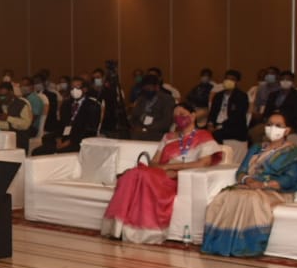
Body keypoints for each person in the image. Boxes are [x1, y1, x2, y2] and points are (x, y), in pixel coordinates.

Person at [102, 103, 219, 244]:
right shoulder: (168, 137)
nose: (178, 118)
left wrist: (174, 169)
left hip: (179, 178)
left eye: (182, 114)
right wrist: (163, 169)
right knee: (132, 174)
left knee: (139, 175)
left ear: (193, 116)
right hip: (161, 174)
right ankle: (118, 228)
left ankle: (142, 232)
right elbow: (154, 162)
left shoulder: (204, 136)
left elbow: (203, 163)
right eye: (176, 115)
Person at [200, 113, 297, 257]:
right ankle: (217, 244)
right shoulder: (256, 148)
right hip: (250, 186)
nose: (273, 128)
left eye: (278, 125)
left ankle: (245, 247)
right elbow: (241, 171)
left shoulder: (294, 152)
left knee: (251, 199)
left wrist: (263, 184)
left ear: (287, 130)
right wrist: (248, 180)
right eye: (270, 124)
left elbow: (289, 180)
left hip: (276, 191)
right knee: (226, 195)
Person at [32, 76, 100, 155]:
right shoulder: (66, 104)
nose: (74, 90)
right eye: (72, 88)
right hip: (64, 136)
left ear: (85, 89)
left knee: (61, 151)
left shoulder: (92, 106)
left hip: (80, 138)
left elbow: (90, 130)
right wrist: (59, 138)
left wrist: (70, 141)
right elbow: (61, 124)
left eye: (77, 87)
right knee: (38, 150)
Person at [129, 74, 175, 141]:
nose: (147, 90)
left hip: (157, 134)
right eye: (145, 88)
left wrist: (147, 128)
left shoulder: (167, 100)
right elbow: (134, 117)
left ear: (157, 87)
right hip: (139, 133)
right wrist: (137, 127)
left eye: (149, 88)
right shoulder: (141, 99)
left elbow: (166, 122)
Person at [209, 70, 249, 144]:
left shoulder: (242, 96)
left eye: (232, 79)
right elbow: (212, 112)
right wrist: (210, 124)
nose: (228, 81)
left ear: (237, 82)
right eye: (227, 78)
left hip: (233, 127)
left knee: (216, 134)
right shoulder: (218, 96)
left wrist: (220, 126)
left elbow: (238, 116)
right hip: (216, 124)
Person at [263, 69, 297, 136]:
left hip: (289, 125)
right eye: (283, 79)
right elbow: (266, 111)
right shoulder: (273, 95)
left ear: (292, 81)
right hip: (271, 123)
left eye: (288, 80)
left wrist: (279, 118)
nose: (285, 81)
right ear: (279, 81)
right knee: (254, 132)